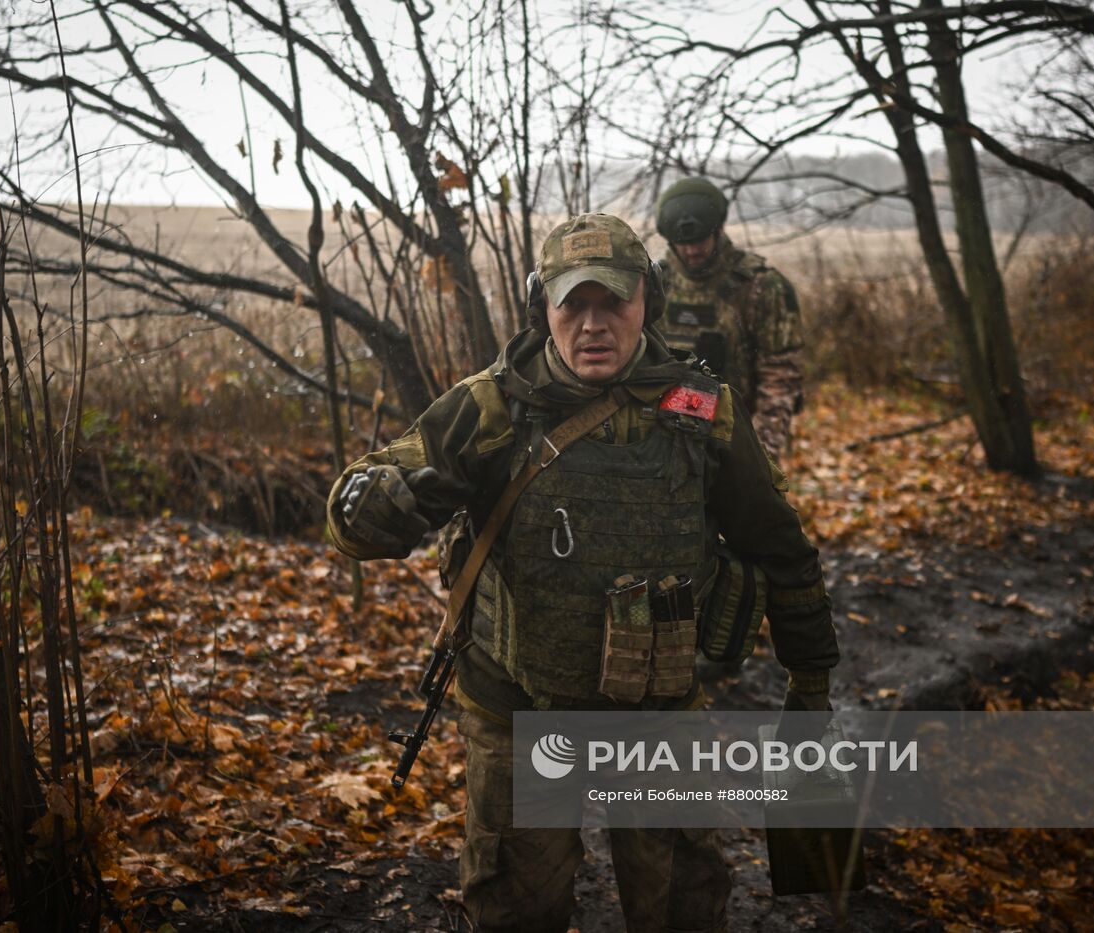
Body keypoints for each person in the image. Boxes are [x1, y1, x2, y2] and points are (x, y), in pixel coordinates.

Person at [327, 213, 837, 933]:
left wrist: (811, 681)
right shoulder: (493, 407)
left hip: (658, 712)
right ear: (544, 307)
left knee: (685, 908)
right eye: (574, 304)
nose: (593, 324)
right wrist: (374, 510)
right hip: (523, 711)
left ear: (646, 304)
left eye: (613, 303)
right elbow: (368, 494)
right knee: (518, 908)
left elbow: (781, 546)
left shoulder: (699, 411)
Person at [655, 178, 805, 462]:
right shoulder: (654, 286)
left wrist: (761, 455)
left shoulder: (761, 287)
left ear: (718, 229)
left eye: (699, 240)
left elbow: (780, 379)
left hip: (738, 437)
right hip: (662, 440)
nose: (692, 251)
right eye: (682, 243)